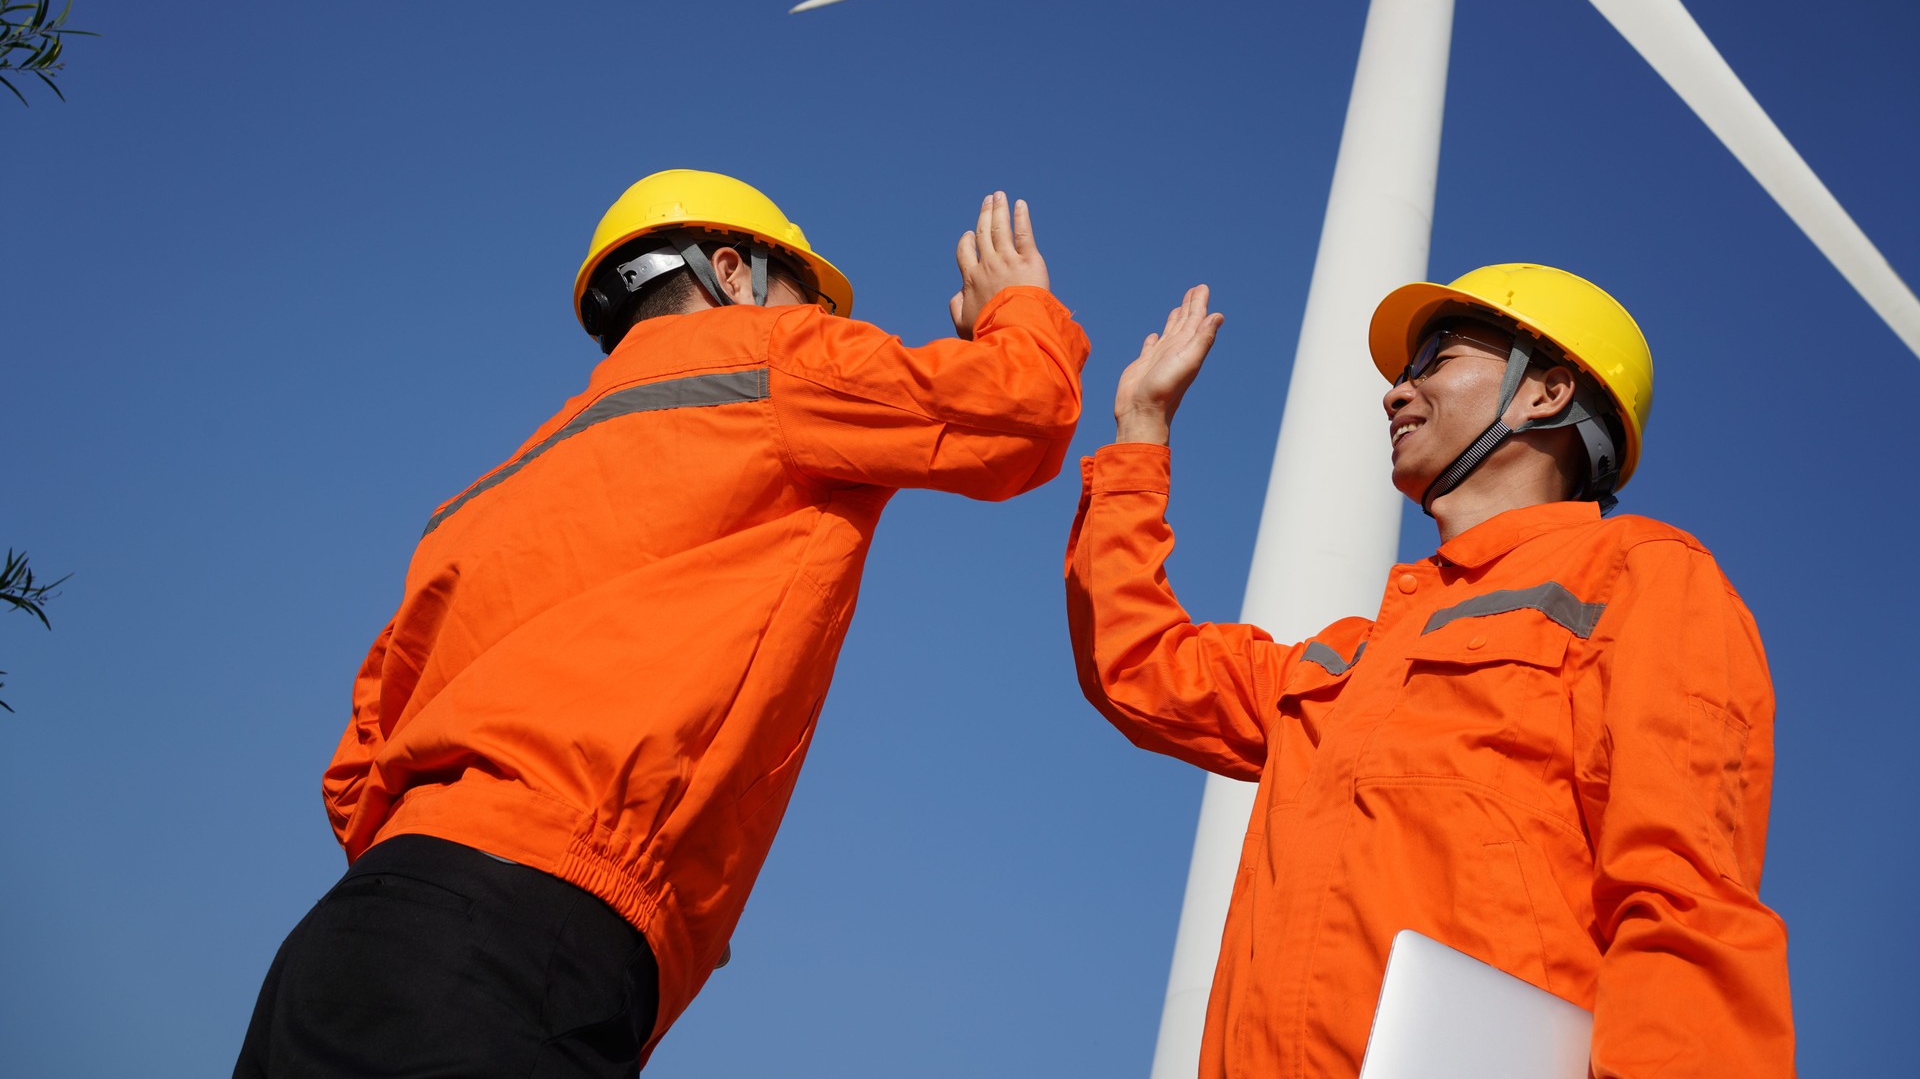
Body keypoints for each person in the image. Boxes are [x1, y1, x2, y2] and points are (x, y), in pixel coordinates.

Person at [236, 170, 1088, 1076]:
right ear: (732, 272)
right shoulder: (779, 362)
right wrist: (1016, 308)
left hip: (344, 945)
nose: (830, 326)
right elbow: (1021, 408)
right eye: (810, 299)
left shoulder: (481, 497)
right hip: (527, 949)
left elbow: (354, 771)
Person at [1065, 265, 1793, 1078]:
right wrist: (1140, 427)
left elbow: (1686, 902)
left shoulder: (1641, 577)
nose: (1396, 393)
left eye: (1435, 359)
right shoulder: (1345, 658)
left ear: (1544, 393)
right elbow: (1137, 663)